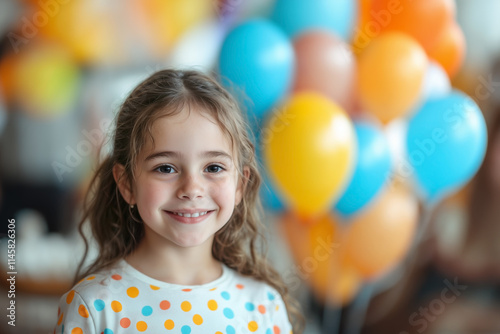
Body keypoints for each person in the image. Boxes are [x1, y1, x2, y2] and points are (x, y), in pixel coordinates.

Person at [54, 69, 302, 334]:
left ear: (240, 183)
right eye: (165, 168)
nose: (192, 189)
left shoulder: (264, 306)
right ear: (126, 183)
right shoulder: (93, 308)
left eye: (214, 167)